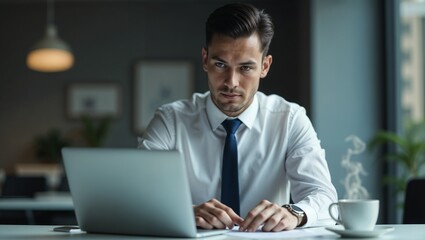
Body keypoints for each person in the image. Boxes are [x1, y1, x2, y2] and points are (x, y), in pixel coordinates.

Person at [138, 2, 338, 232]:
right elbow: (139, 196)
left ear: (265, 66)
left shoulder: (290, 120)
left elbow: (324, 197)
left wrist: (294, 213)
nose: (231, 82)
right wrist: (185, 210)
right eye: (220, 64)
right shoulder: (170, 121)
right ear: (205, 59)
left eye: (245, 68)